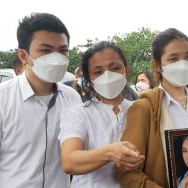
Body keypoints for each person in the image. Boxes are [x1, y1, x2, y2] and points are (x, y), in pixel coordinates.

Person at [116, 28, 188, 188]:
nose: (183, 64)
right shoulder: (145, 108)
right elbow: (125, 171)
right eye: (173, 59)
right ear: (157, 65)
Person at [0, 13, 82, 188]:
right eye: (45, 50)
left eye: (62, 50)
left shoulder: (72, 98)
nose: (56, 58)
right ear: (23, 56)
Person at [59, 41, 145, 188]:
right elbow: (69, 161)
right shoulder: (78, 113)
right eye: (98, 72)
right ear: (89, 79)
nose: (107, 75)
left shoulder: (140, 110)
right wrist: (109, 153)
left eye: (115, 68)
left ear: (127, 70)